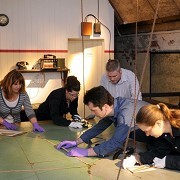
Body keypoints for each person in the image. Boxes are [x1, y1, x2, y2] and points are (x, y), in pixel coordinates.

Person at [56, 86, 148, 157]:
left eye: (94, 110)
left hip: (158, 141)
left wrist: (86, 152)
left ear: (105, 107)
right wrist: (76, 142)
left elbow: (115, 142)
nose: (93, 113)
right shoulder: (114, 106)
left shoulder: (125, 114)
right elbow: (99, 127)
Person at [123, 103, 180, 171]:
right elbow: (161, 152)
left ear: (158, 123)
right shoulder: (164, 133)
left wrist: (168, 161)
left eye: (147, 131)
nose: (147, 134)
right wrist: (138, 158)